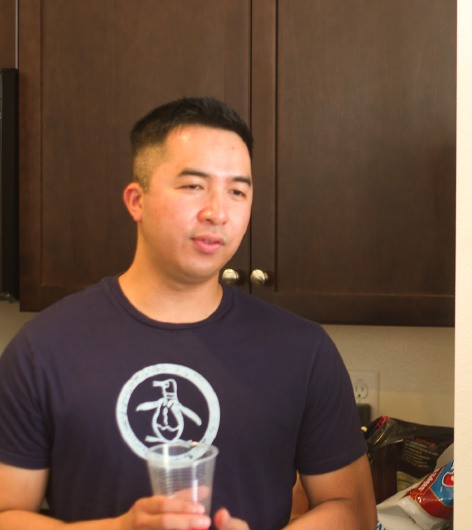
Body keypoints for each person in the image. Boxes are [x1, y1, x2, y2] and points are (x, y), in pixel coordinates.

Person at [0, 97, 377, 529]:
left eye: (237, 191)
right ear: (136, 201)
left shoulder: (303, 351)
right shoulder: (44, 349)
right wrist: (120, 529)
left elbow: (353, 510)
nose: (217, 212)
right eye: (194, 186)